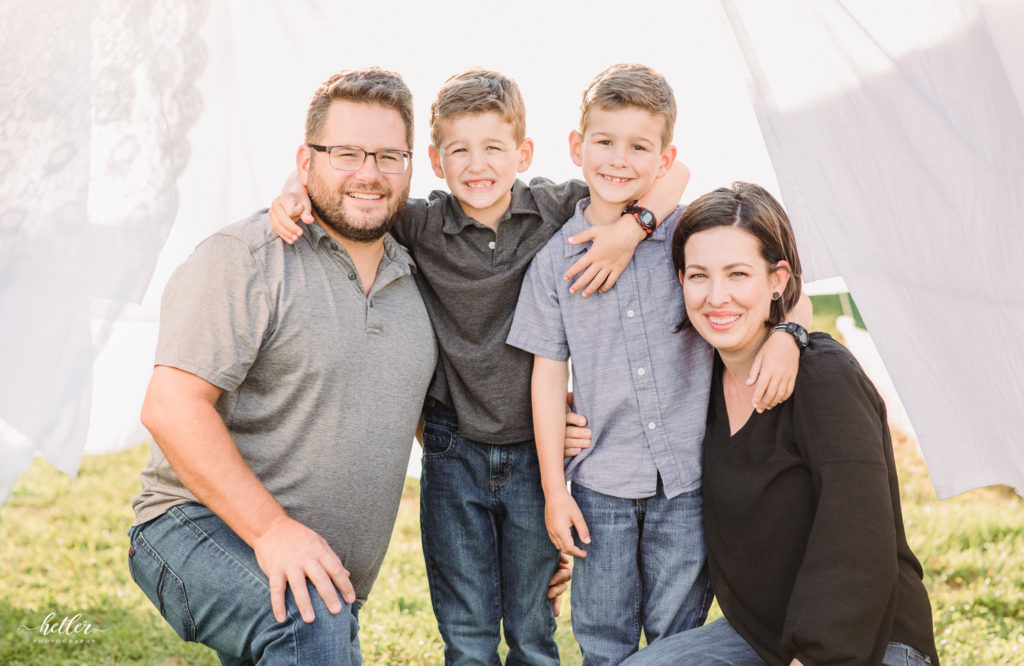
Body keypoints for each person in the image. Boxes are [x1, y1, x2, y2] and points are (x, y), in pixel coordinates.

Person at [268, 67, 692, 665]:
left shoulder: (556, 207)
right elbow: (340, 186)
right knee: (465, 630)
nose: (478, 165)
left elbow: (674, 174)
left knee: (532, 627)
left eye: (494, 147)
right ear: (435, 162)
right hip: (451, 449)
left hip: (532, 452)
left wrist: (632, 230)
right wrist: (292, 187)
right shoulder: (420, 223)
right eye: (459, 150)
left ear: (524, 152)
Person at [128, 68, 438, 665]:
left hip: (319, 571)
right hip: (189, 527)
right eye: (346, 153)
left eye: (388, 156)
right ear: (306, 159)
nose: (369, 173)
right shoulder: (244, 259)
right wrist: (273, 533)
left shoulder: (419, 278)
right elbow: (170, 408)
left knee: (312, 617)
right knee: (307, 622)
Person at [507, 65, 809, 666]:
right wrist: (552, 489)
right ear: (577, 146)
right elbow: (547, 377)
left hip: (689, 483)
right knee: (603, 639)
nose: (619, 160)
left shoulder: (689, 236)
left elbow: (784, 282)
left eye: (639, 147)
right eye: (605, 142)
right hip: (600, 488)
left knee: (679, 639)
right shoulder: (552, 265)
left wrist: (790, 338)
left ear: (664, 158)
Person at [622, 182, 939, 666]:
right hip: (764, 635)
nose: (717, 296)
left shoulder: (823, 376)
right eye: (699, 275)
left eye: (738, 274)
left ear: (777, 278)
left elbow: (857, 534)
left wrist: (814, 656)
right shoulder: (696, 384)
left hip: (870, 639)